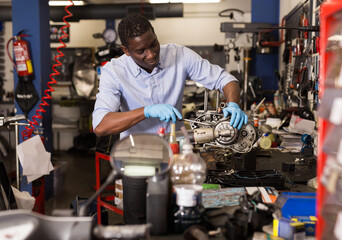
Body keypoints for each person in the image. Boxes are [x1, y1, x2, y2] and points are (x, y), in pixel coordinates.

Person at [92, 13, 248, 224]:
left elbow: (225, 79)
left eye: (153, 44)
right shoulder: (114, 72)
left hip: (175, 152)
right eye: (141, 51)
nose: (151, 54)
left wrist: (233, 103)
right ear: (126, 51)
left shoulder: (179, 55)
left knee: (182, 214)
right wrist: (146, 111)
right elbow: (101, 125)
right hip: (137, 155)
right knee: (137, 219)